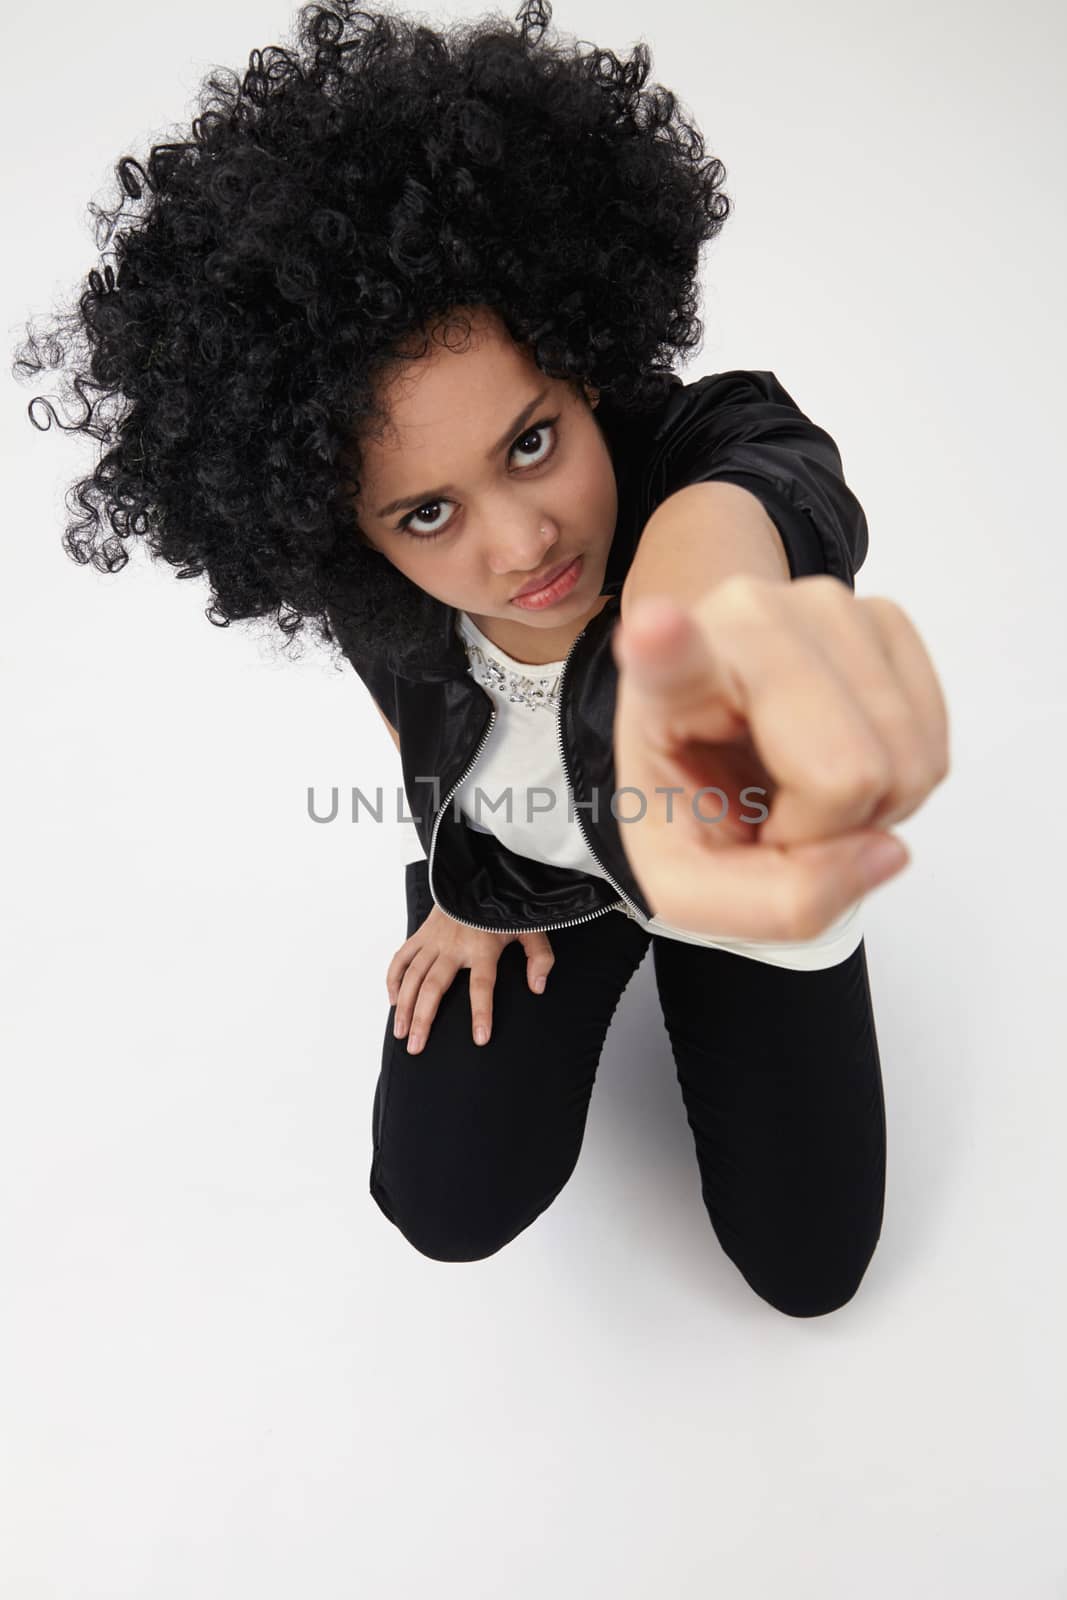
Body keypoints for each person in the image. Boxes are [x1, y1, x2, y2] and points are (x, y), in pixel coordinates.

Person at [11, 0, 949, 1314]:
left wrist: (677, 661)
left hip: (751, 874)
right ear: (346, 529)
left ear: (582, 363)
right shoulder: (375, 590)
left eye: (530, 441)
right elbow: (416, 719)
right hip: (534, 882)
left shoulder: (706, 454)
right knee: (442, 1203)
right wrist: (463, 885)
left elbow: (763, 508)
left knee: (810, 1274)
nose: (521, 544)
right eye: (427, 511)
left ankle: (691, 945)